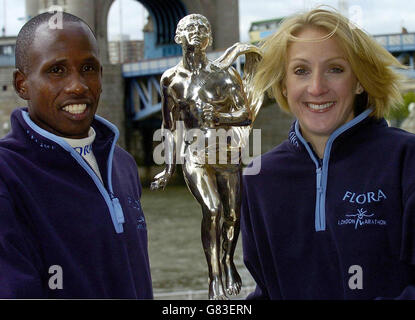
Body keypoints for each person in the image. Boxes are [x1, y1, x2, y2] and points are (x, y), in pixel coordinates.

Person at [241, 8, 415, 299]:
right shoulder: (259, 177)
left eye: (335, 69)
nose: (317, 87)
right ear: (284, 84)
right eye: (301, 71)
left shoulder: (405, 159)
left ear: (359, 81)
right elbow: (269, 289)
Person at [0, 12, 153, 298]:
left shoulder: (122, 164)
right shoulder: (7, 175)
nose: (78, 86)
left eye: (88, 68)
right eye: (57, 70)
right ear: (22, 84)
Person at [150, 14, 262, 300]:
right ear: (178, 37)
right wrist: (168, 168)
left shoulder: (224, 75)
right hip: (194, 153)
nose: (197, 32)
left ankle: (227, 261)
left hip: (227, 152)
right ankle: (214, 277)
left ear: (209, 38)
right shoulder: (170, 80)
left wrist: (222, 115)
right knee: (212, 210)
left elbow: (245, 114)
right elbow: (169, 125)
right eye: (190, 28)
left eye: (203, 28)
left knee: (233, 216)